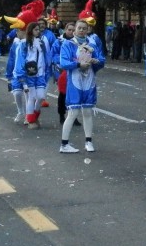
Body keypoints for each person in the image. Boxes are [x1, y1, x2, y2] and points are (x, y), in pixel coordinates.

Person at [59, 19, 105, 153]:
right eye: (79, 28)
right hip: (75, 81)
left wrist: (97, 61)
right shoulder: (68, 44)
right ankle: (64, 144)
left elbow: (101, 60)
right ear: (74, 30)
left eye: (84, 28)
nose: (82, 30)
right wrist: (78, 64)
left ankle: (88, 141)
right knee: (73, 112)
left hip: (89, 80)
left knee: (88, 111)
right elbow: (64, 62)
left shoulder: (92, 44)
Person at [14, 21, 51, 129]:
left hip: (40, 74)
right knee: (32, 97)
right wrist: (21, 76)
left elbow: (46, 57)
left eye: (39, 29)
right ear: (30, 30)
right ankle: (30, 120)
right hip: (29, 74)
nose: (38, 31)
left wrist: (49, 70)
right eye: (36, 29)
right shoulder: (24, 43)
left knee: (41, 97)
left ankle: (34, 115)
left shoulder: (41, 43)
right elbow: (20, 59)